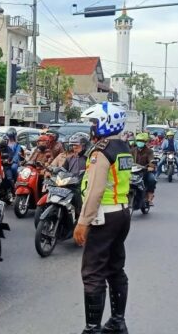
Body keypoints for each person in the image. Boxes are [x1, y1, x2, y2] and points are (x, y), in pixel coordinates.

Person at [73, 101, 132, 334]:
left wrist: (82, 222)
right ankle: (117, 321)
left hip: (104, 215)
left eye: (95, 122)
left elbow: (95, 191)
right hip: (122, 212)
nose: (92, 126)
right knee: (115, 268)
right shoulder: (123, 147)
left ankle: (92, 329)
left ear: (106, 124)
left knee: (93, 273)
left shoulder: (101, 151)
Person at [64, 133, 90, 217]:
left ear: (84, 146)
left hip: (82, 186)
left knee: (79, 196)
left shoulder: (88, 159)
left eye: (77, 147)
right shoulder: (69, 158)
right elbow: (63, 170)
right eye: (73, 147)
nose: (75, 149)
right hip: (69, 183)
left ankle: (80, 215)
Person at [131, 132, 157, 206]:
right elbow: (127, 159)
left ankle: (149, 198)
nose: (140, 142)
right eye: (138, 140)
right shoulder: (132, 150)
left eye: (142, 141)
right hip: (132, 171)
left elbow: (151, 160)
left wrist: (151, 166)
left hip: (144, 171)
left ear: (145, 142)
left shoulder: (149, 151)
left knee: (152, 179)